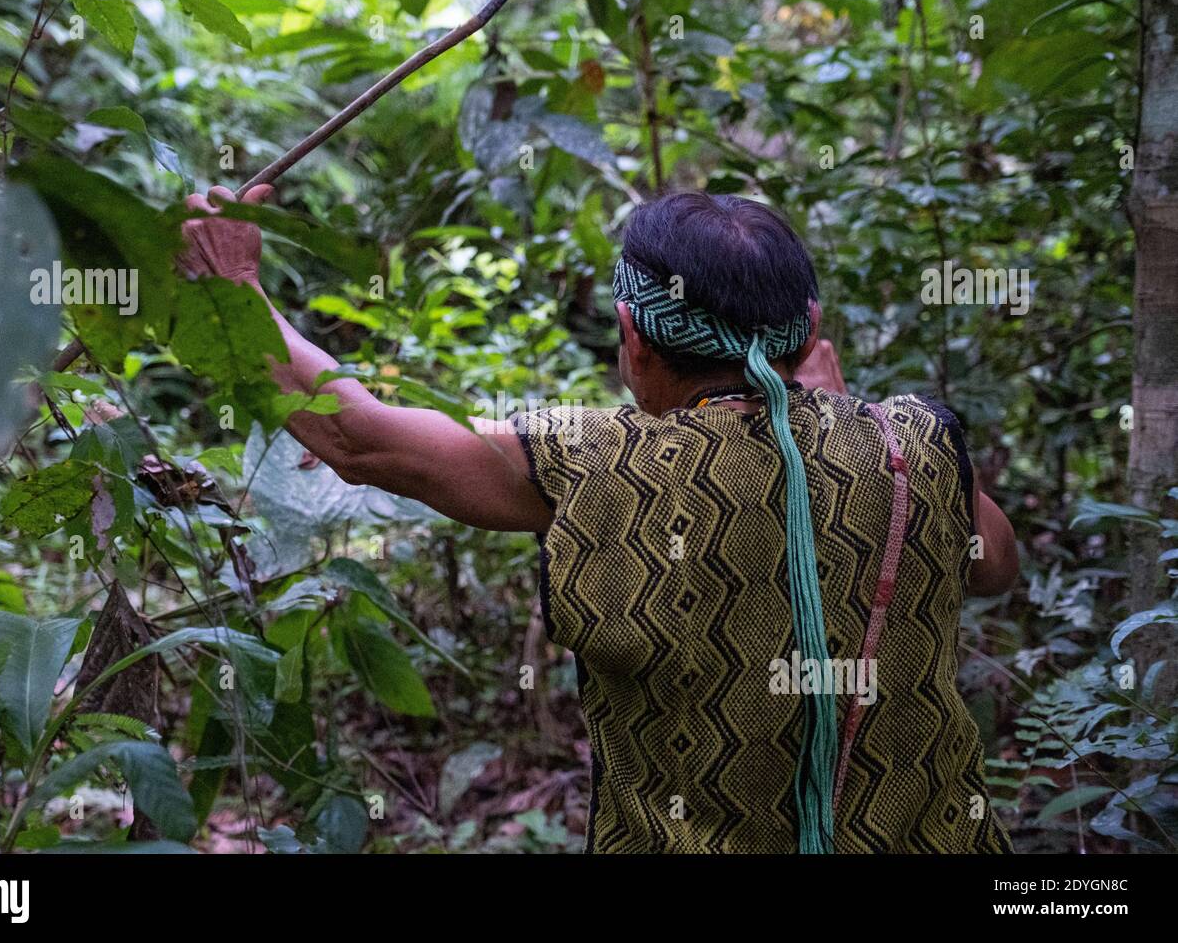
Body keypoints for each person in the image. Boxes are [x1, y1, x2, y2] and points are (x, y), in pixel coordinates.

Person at [179, 185, 1019, 853]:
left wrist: (233, 286)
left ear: (633, 336)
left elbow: (356, 438)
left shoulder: (589, 460)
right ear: (809, 335)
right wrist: (840, 417)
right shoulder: (911, 442)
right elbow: (994, 565)